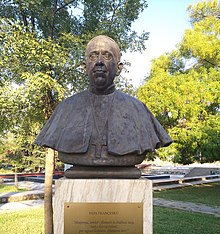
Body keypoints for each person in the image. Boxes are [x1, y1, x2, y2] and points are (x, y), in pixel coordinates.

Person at [35, 35, 172, 174]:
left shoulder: (138, 109)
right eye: (93, 56)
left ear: (119, 68)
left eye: (107, 56)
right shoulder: (65, 109)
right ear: (84, 67)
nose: (99, 61)